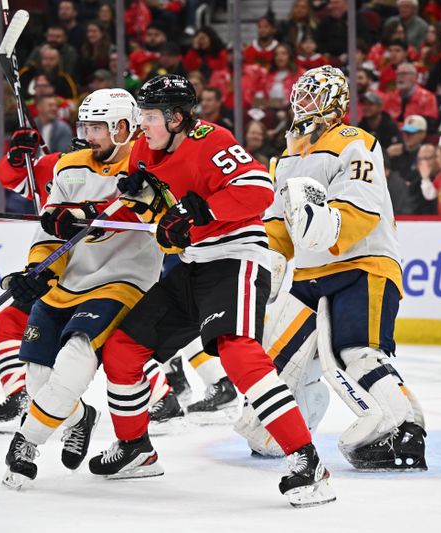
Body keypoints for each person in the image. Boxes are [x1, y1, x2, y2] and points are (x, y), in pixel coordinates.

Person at [88, 74, 336, 508]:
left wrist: (204, 208)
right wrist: (132, 198)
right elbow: (154, 205)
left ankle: (306, 459)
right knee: (122, 351)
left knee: (237, 352)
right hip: (191, 262)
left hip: (235, 257)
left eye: (149, 117)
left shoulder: (212, 140)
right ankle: (136, 449)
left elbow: (258, 190)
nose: (141, 125)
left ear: (177, 118)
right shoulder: (145, 149)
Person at [235, 65, 427, 472]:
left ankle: (403, 427)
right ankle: (283, 430)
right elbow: (277, 221)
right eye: (302, 94)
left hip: (363, 265)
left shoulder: (355, 141)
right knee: (277, 359)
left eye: (316, 95)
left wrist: (324, 225)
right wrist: (270, 257)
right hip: (308, 275)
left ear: (337, 103)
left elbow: (362, 205)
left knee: (357, 352)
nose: (305, 102)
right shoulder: (286, 156)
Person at [1, 89, 166, 488]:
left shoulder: (148, 164)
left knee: (75, 362)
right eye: (86, 126)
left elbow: (153, 211)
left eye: (98, 127)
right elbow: (51, 229)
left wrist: (93, 212)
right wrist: (39, 271)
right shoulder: (70, 167)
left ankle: (25, 443)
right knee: (40, 381)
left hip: (123, 281)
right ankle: (79, 417)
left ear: (123, 128)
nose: (89, 135)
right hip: (71, 282)